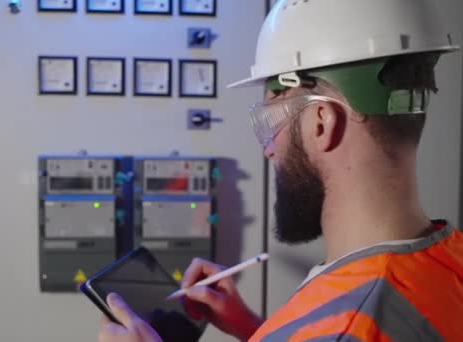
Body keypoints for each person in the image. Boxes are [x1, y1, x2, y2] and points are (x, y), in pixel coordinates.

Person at [97, 0, 463, 340]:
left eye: (271, 121)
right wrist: (257, 330)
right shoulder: (450, 260)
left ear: (321, 123)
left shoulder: (348, 326)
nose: (269, 149)